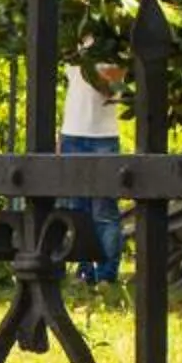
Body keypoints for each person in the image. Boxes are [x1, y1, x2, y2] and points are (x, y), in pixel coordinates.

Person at [60, 62, 125, 284]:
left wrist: (90, 65)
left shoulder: (113, 49)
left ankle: (106, 274)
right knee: (78, 209)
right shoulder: (73, 49)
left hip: (103, 137)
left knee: (104, 210)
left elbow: (113, 87)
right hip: (72, 133)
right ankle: (84, 271)